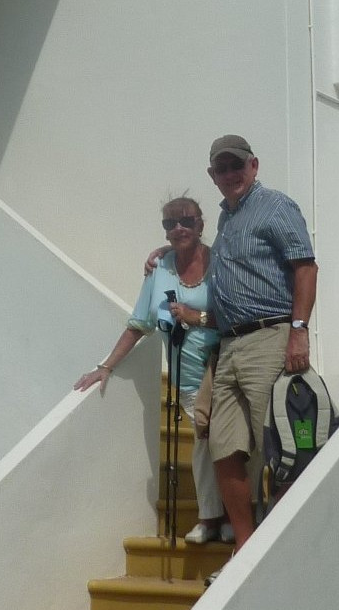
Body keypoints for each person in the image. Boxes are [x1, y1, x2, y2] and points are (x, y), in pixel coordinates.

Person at [146, 135, 317, 559]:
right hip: (229, 346)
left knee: (280, 445)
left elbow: (305, 266)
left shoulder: (275, 206)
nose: (229, 174)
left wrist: (299, 329)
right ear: (212, 176)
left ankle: (286, 546)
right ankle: (245, 549)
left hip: (269, 337)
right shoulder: (225, 220)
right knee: (222, 445)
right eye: (221, 169)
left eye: (236, 165)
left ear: (254, 165)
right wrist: (171, 249)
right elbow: (219, 260)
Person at [75, 197, 233, 545]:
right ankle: (215, 518)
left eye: (186, 221)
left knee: (221, 440)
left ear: (200, 225)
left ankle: (221, 516)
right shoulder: (159, 270)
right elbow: (139, 324)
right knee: (208, 440)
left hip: (223, 367)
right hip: (186, 376)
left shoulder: (219, 261)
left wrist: (197, 318)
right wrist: (105, 366)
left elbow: (237, 314)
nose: (178, 228)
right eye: (170, 224)